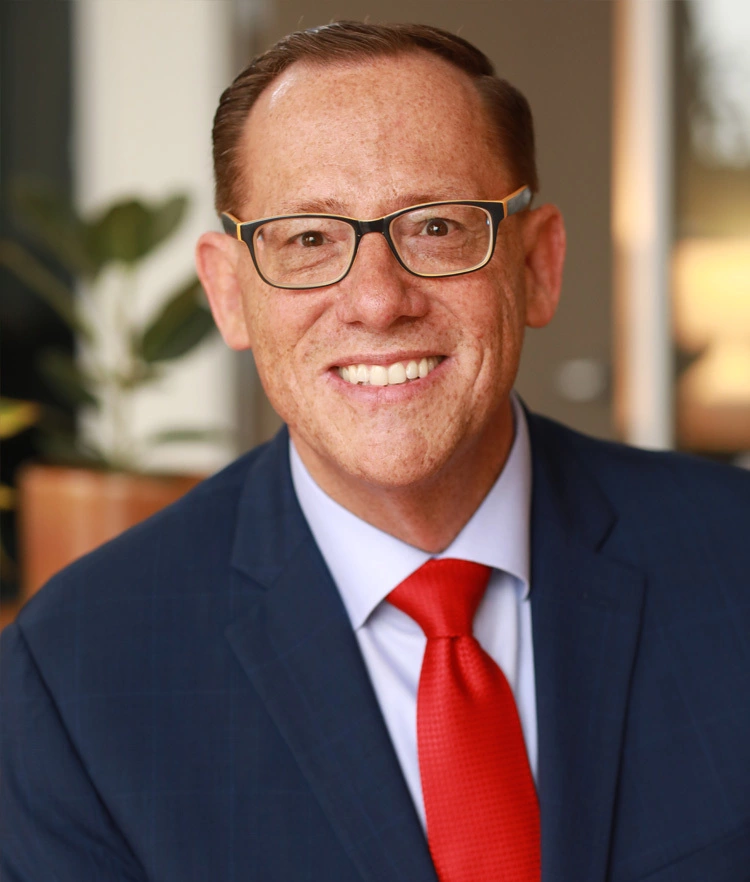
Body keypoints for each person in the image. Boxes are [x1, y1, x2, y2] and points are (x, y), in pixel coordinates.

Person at [2, 20, 749, 882]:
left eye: (436, 226)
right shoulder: (77, 673)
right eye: (308, 239)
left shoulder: (733, 560)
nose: (378, 300)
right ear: (229, 293)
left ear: (538, 266)